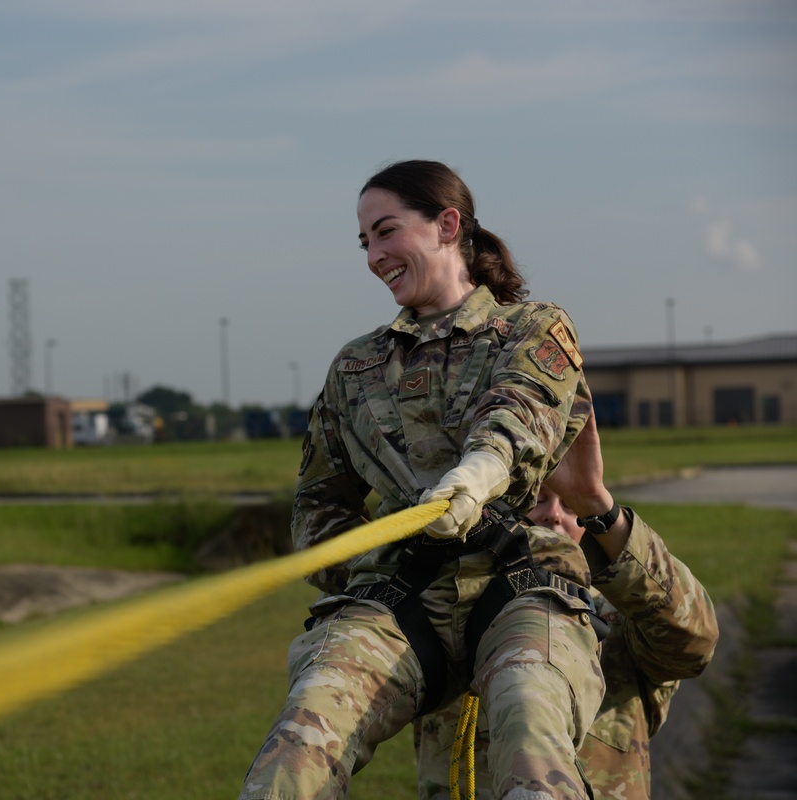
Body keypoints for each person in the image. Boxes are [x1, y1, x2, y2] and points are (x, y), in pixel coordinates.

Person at [239, 160, 610, 800]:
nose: (374, 256)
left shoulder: (534, 328)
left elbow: (519, 414)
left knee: (531, 721)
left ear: (446, 225)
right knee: (298, 744)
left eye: (386, 232)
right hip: (399, 602)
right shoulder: (355, 367)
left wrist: (475, 479)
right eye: (364, 242)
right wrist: (366, 571)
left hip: (517, 588)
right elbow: (317, 503)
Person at [414, 409, 720, 800]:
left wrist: (596, 503)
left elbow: (694, 644)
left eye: (571, 507)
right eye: (537, 498)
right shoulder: (449, 609)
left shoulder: (622, 614)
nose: (554, 515)